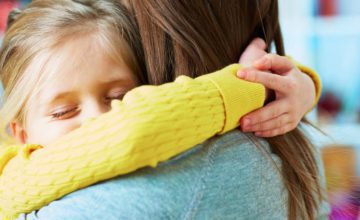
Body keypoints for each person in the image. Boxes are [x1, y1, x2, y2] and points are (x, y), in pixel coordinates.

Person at [0, 0, 326, 219]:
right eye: (63, 112)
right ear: (21, 133)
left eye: (120, 97)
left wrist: (287, 83)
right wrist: (252, 86)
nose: (98, 121)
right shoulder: (14, 175)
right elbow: (134, 129)